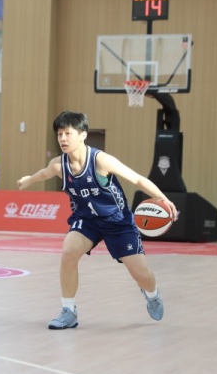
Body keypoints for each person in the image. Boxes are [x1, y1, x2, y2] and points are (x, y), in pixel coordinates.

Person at [17, 111, 177, 329]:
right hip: (86, 220)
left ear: (83, 135)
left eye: (68, 133)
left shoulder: (101, 160)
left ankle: (152, 294)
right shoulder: (59, 165)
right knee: (68, 252)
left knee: (142, 275)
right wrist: (30, 179)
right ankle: (68, 311)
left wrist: (163, 198)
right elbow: (45, 173)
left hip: (117, 222)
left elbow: (137, 179)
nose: (63, 138)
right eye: (60, 134)